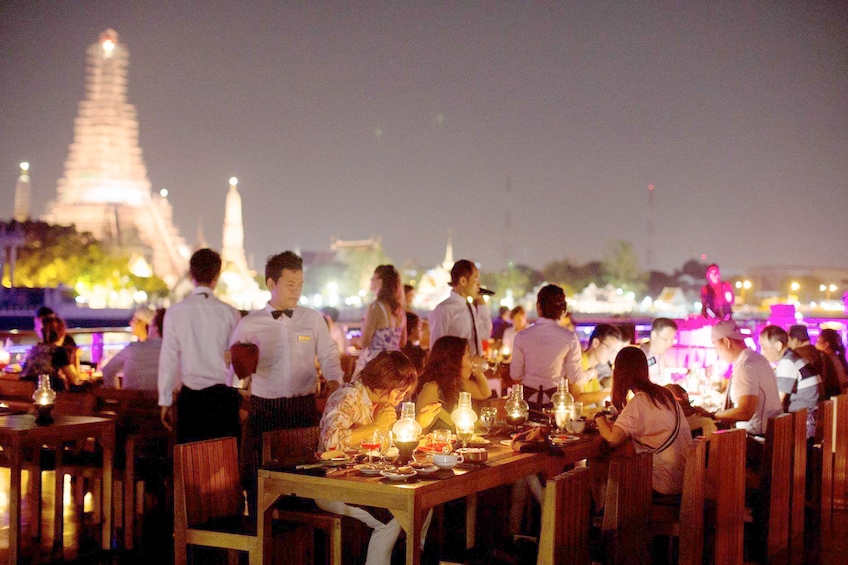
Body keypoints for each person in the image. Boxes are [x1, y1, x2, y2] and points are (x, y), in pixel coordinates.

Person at [229, 251, 345, 515]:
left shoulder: (312, 319)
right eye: (290, 285)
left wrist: (334, 380)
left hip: (302, 409)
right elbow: (233, 370)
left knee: (304, 483)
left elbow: (327, 353)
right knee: (262, 484)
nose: (296, 291)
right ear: (271, 284)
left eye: (300, 285)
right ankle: (263, 542)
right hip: (264, 411)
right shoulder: (250, 323)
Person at [316, 352, 440, 565]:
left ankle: (413, 556)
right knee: (391, 518)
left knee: (424, 501)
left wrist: (418, 422)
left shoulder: (383, 406)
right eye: (401, 389)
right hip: (331, 485)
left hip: (365, 482)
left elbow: (388, 444)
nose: (404, 395)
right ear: (385, 382)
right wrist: (374, 427)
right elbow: (331, 442)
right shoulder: (347, 397)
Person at [158, 248, 242, 444]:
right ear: (217, 276)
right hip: (223, 397)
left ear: (190, 275)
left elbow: (168, 360)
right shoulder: (230, 313)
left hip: (191, 399)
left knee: (192, 464)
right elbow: (235, 359)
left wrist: (165, 400)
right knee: (224, 464)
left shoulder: (175, 312)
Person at [595, 348, 692, 496]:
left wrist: (598, 417)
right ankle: (605, 511)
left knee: (603, 461)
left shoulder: (640, 401)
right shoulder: (664, 394)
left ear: (619, 373)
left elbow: (612, 439)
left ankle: (605, 513)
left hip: (664, 482)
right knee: (623, 454)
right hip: (684, 477)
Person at [510, 284, 585, 397]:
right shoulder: (570, 337)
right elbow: (575, 377)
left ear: (538, 306)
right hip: (556, 401)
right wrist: (592, 373)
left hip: (527, 400)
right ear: (563, 310)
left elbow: (515, 375)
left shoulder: (522, 336)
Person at [711, 320, 781, 438]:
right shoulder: (756, 358)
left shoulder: (745, 366)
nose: (717, 353)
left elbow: (745, 412)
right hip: (770, 435)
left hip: (756, 441)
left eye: (716, 348)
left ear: (727, 342)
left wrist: (713, 415)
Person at [415, 336, 491, 432]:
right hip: (438, 445)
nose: (472, 361)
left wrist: (478, 370)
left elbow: (484, 393)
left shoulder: (456, 382)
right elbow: (422, 430)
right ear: (455, 360)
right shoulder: (432, 388)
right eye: (468, 356)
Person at [759, 325, 821, 437]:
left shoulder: (787, 362)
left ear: (778, 346)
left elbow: (777, 402)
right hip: (808, 418)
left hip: (803, 425)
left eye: (764, 347)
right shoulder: (793, 358)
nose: (762, 352)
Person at [429, 259, 492, 358]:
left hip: (474, 368)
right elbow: (436, 347)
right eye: (475, 280)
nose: (479, 285)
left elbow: (485, 333)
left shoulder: (470, 307)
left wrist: (481, 303)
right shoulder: (444, 310)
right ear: (463, 281)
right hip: (456, 369)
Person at [353, 265, 406, 377]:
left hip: (375, 364)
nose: (370, 280)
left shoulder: (376, 307)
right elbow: (403, 342)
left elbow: (364, 342)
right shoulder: (399, 310)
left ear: (380, 282)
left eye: (373, 278)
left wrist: (355, 341)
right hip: (393, 365)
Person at [102, 308, 165, 391]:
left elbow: (108, 370)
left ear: (143, 324)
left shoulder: (133, 349)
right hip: (161, 402)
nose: (130, 323)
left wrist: (117, 395)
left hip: (131, 402)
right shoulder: (172, 351)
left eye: (134, 320)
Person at [22, 316, 85, 391]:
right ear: (62, 334)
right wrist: (77, 357)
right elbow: (75, 380)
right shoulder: (58, 351)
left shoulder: (35, 349)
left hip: (28, 392)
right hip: (50, 394)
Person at [573, 324, 623, 406]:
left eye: (614, 351)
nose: (611, 354)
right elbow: (577, 399)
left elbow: (598, 401)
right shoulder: (578, 362)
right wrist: (611, 390)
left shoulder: (593, 368)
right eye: (609, 348)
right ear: (595, 343)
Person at [789, 325, 841, 399]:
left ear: (796, 341)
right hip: (826, 399)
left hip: (810, 402)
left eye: (789, 341)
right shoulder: (822, 354)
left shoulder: (797, 354)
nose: (788, 345)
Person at [640, 318, 679, 385]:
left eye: (672, 339)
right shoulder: (640, 356)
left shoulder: (665, 354)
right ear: (654, 335)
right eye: (665, 338)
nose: (669, 343)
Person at [816, 328, 848, 393]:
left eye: (818, 341)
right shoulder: (839, 358)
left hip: (831, 396)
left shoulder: (823, 359)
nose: (815, 345)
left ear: (826, 344)